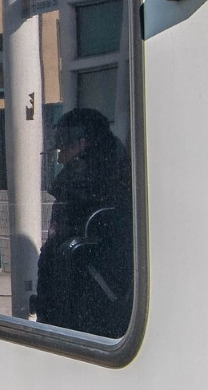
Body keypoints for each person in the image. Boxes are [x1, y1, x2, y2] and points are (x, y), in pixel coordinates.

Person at [32, 107, 133, 338]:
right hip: (107, 311)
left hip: (79, 313)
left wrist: (46, 312)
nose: (59, 158)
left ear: (82, 143)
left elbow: (54, 256)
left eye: (63, 147)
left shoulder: (77, 193)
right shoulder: (121, 178)